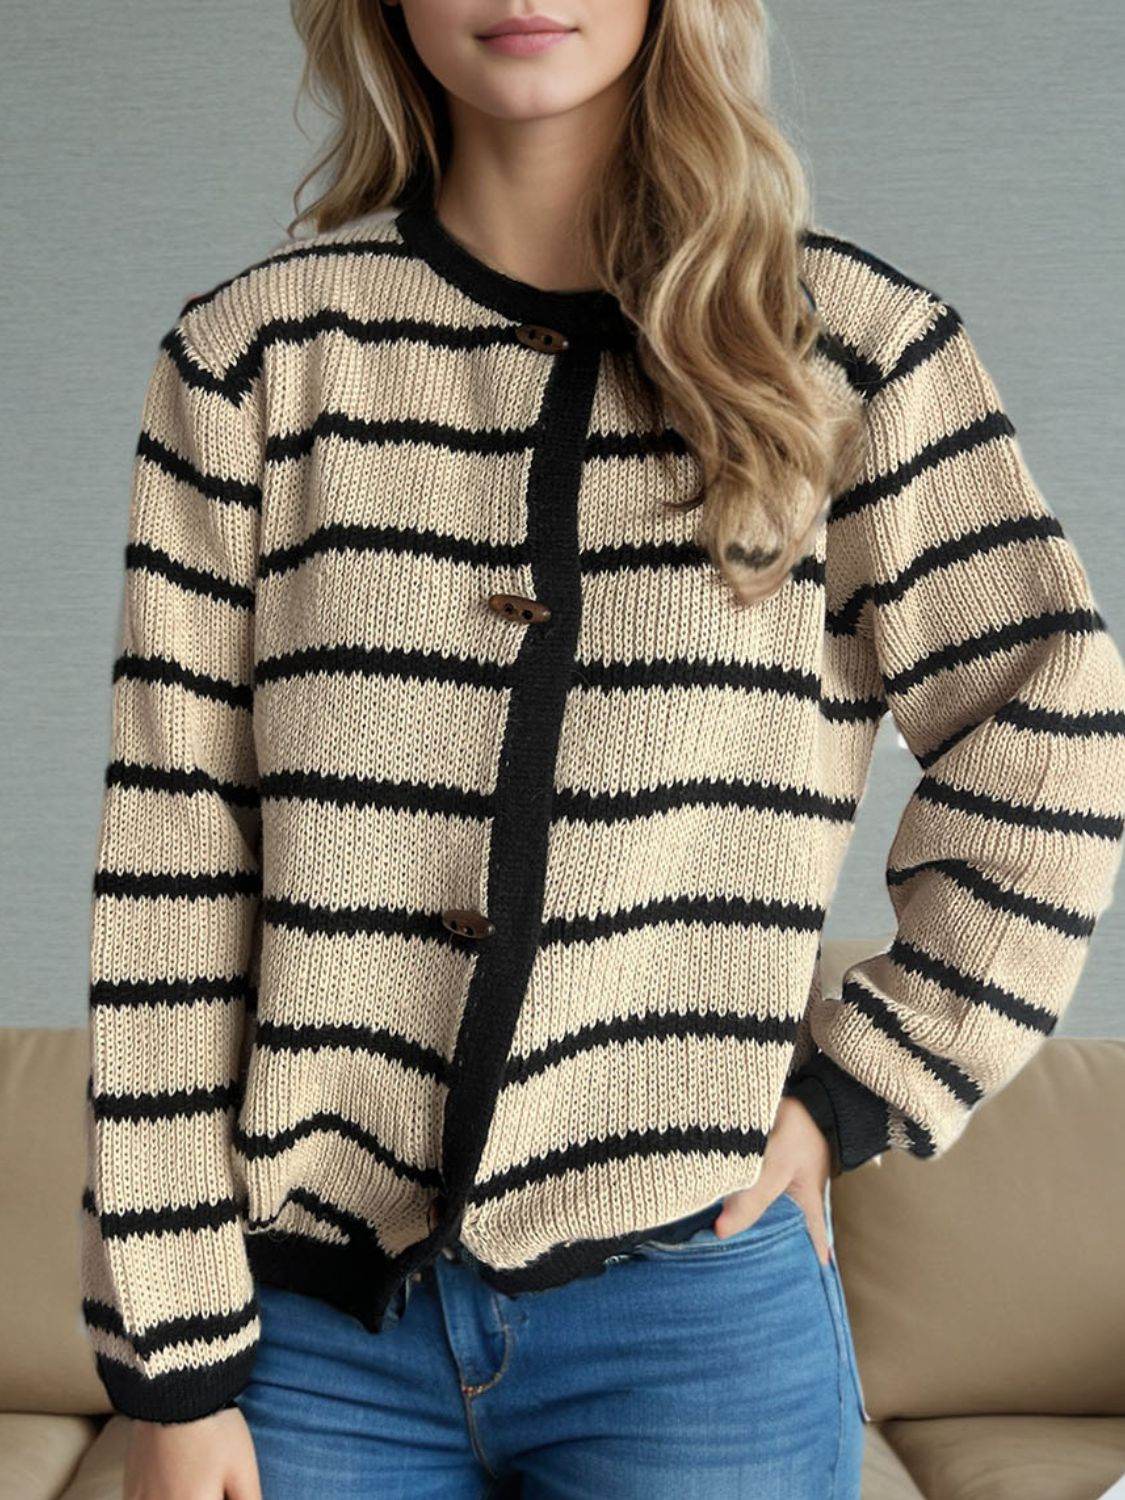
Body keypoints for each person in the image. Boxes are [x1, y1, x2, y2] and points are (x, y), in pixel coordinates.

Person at [79, 1, 1125, 1497]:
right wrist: (171, 1362)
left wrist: (858, 1086)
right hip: (304, 1335)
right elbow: (170, 865)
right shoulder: (254, 363)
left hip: (696, 1318)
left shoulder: (850, 353)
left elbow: (1053, 718)